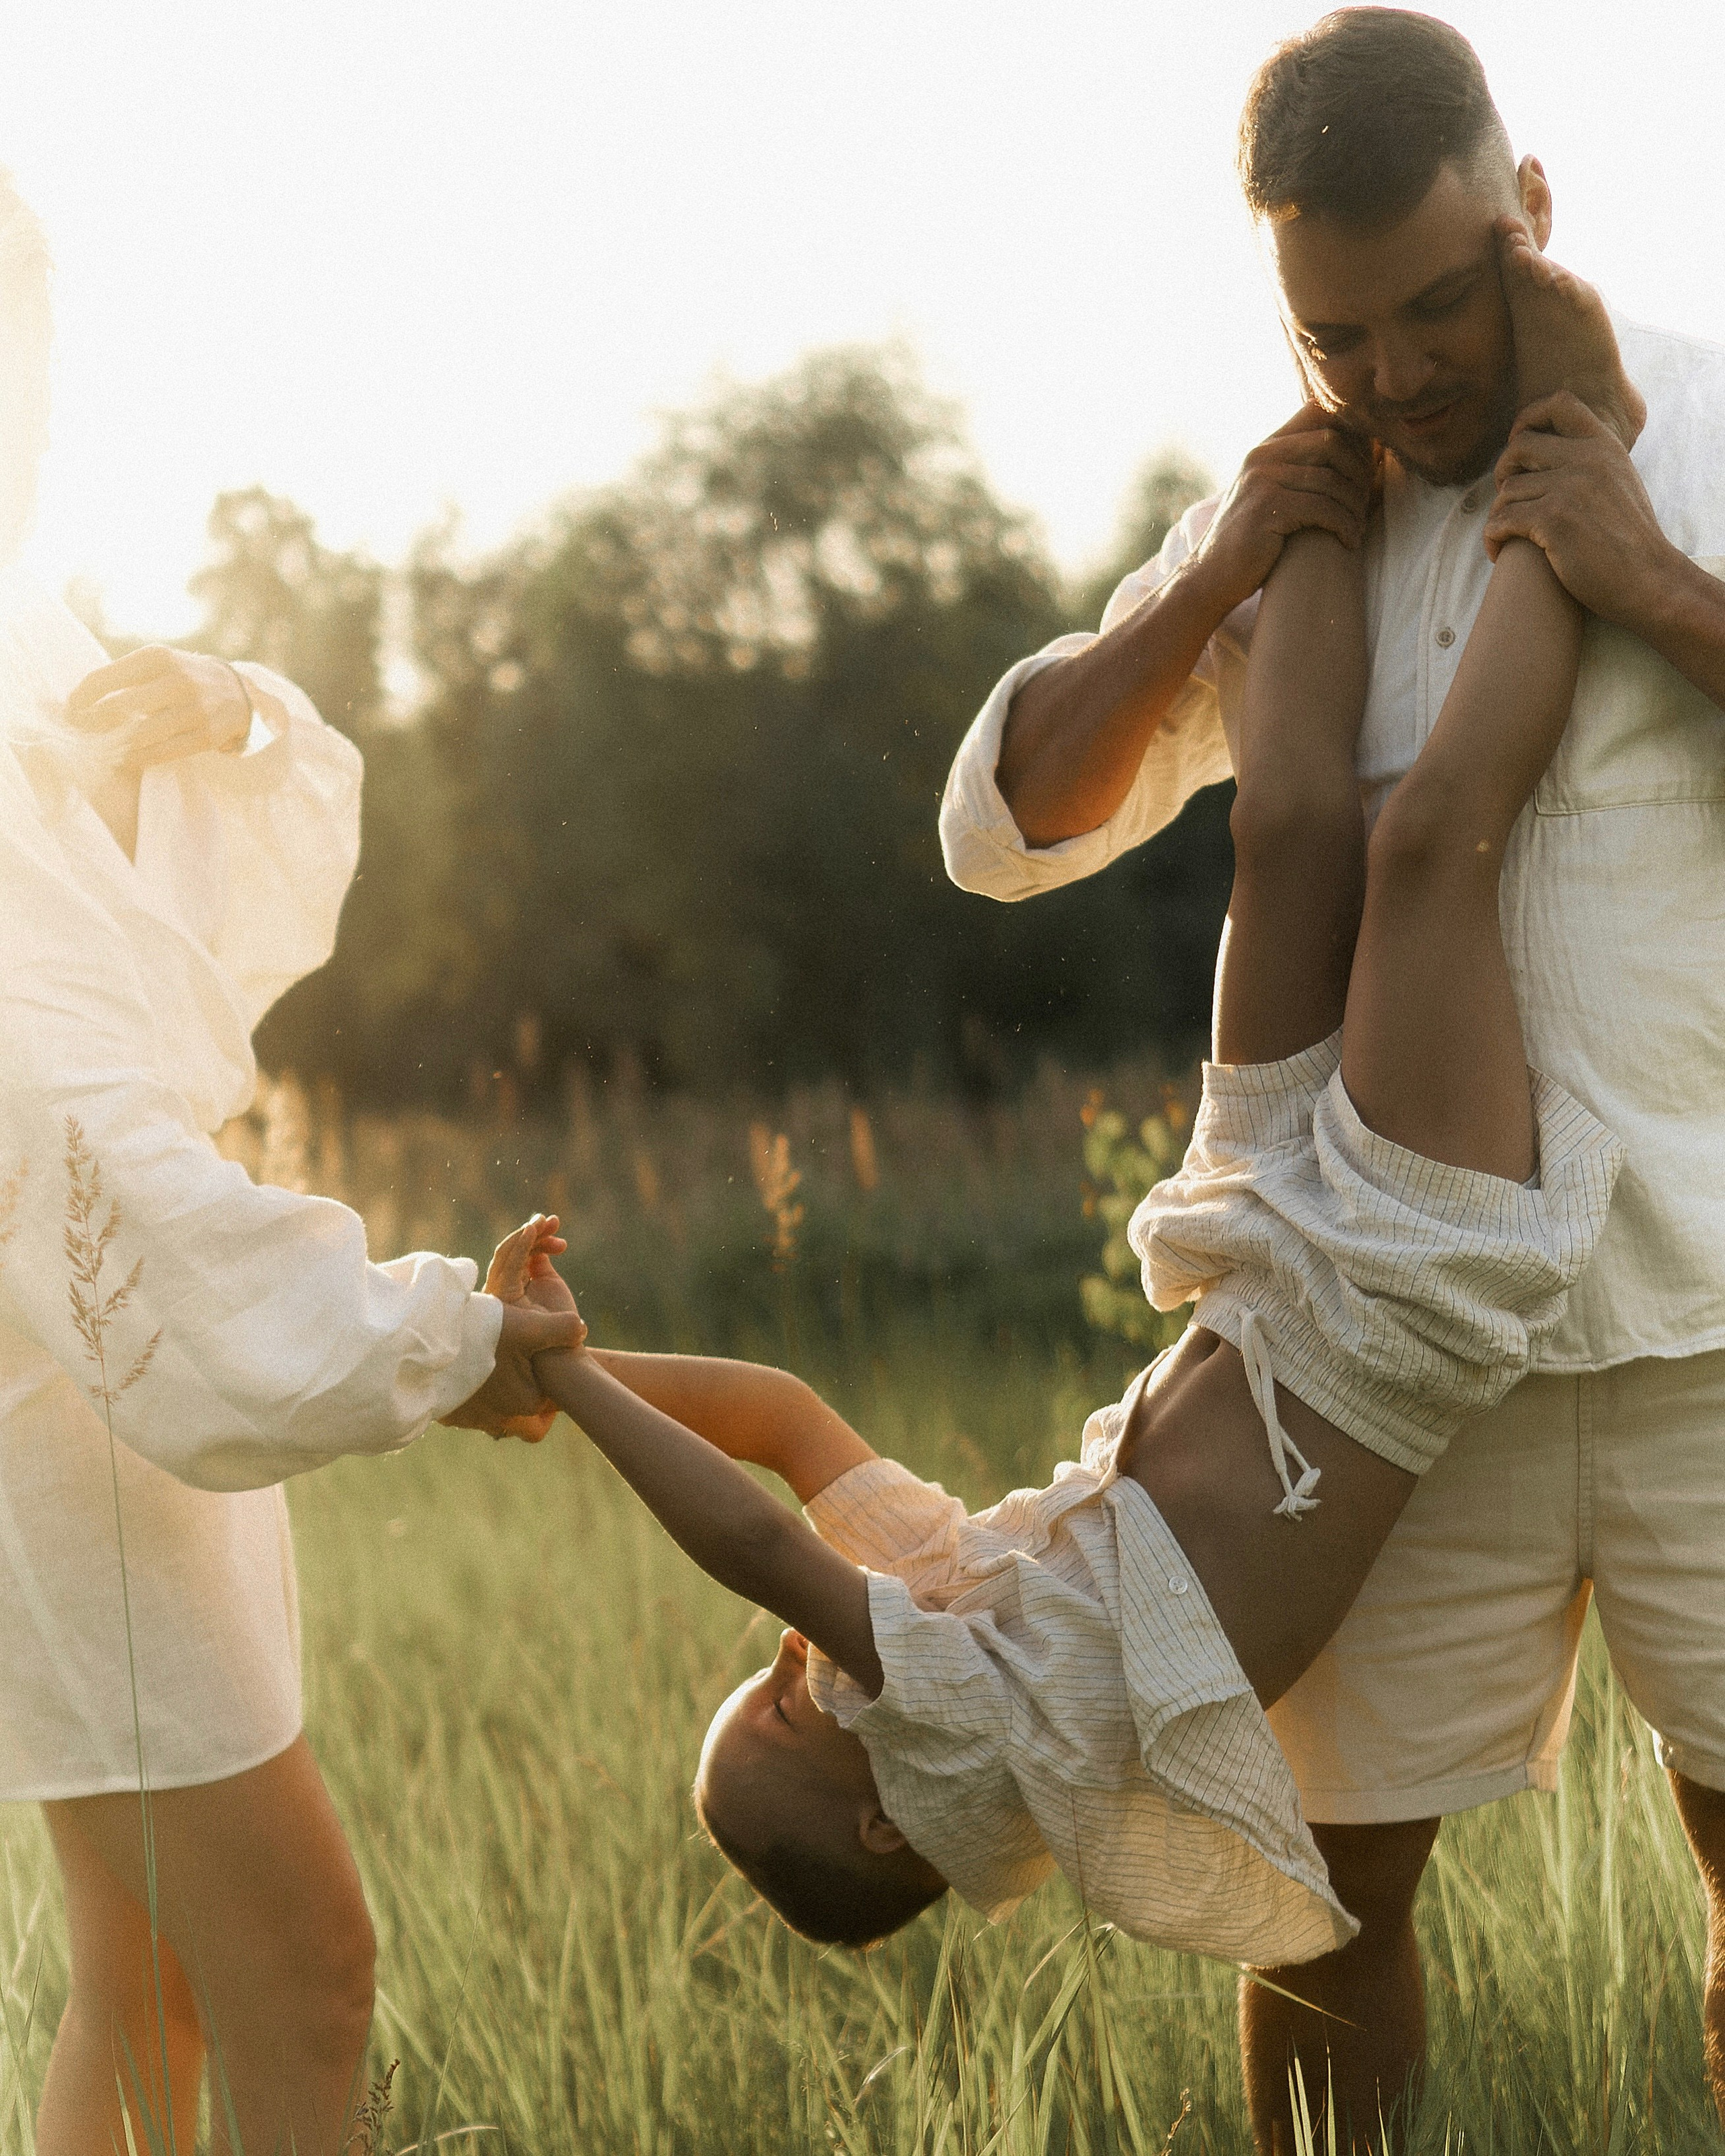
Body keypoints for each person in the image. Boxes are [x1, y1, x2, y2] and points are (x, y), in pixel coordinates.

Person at [484, 470, 1620, 1974]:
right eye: (781, 1708)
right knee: (1427, 839)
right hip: (1387, 1298)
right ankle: (1570, 499)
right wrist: (563, 1382)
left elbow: (782, 1424)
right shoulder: (984, 1736)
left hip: (1267, 1264)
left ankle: (1322, 472)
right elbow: (751, 1539)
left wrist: (517, 1359)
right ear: (893, 1821)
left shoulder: (967, 1610)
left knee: (1289, 827)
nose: (790, 1655)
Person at [938, 11, 1725, 2146]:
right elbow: (1007, 823)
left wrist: (1652, 578)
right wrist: (1205, 575)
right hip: (1393, 1370)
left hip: (1711, 1318)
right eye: (1333, 334)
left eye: (1435, 306)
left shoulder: (1710, 416)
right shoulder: (1294, 512)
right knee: (1327, 1905)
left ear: (1530, 211)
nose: (1392, 374)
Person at [0, 175, 579, 2156]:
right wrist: (437, 1337)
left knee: (151, 1981)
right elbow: (78, 1124)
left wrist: (232, 708)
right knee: (302, 1974)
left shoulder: (26, 628)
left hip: (108, 1380)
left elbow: (175, 962)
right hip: (82, 1382)